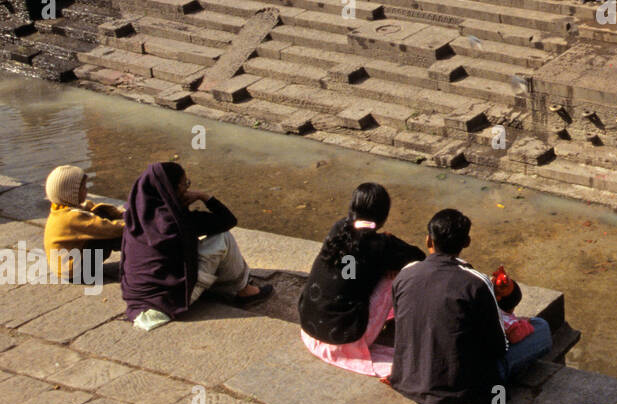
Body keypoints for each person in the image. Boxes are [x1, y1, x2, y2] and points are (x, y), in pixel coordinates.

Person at [390, 208, 552, 404]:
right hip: (460, 389)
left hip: (409, 379)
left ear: (428, 241)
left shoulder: (406, 273)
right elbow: (497, 348)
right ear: (466, 242)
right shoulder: (476, 282)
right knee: (541, 328)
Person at [120, 162, 272, 331]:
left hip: (136, 295)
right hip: (169, 301)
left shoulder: (134, 216)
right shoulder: (178, 220)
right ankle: (245, 291)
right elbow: (228, 221)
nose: (187, 189)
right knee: (222, 239)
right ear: (174, 188)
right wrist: (204, 196)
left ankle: (89, 276)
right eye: (185, 184)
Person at [299, 184, 425, 378]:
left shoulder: (338, 227)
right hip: (343, 336)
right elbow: (419, 257)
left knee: (353, 275)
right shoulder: (381, 244)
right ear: (383, 215)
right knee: (402, 272)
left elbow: (350, 269)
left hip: (311, 327)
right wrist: (389, 244)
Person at [43, 165, 124, 282]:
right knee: (109, 236)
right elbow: (108, 228)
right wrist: (131, 224)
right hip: (76, 272)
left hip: (66, 268)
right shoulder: (71, 217)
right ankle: (141, 255)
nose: (86, 190)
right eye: (83, 188)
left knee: (101, 214)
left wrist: (119, 214)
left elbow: (91, 209)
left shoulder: (59, 209)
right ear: (71, 193)